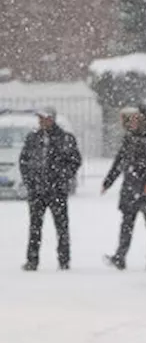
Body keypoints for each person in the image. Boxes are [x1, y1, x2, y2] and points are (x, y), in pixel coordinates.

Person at [102, 105, 146, 270]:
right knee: (126, 225)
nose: (131, 123)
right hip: (130, 189)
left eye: (134, 119)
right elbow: (119, 163)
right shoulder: (128, 140)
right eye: (129, 119)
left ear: (143, 119)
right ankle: (120, 257)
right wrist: (108, 182)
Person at [19, 108, 82, 271]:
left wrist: (62, 178)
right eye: (40, 119)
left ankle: (64, 260)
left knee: (61, 227)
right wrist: (30, 182)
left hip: (57, 191)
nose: (42, 122)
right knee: (35, 227)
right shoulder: (33, 138)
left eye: (45, 118)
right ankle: (32, 260)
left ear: (52, 119)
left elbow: (75, 161)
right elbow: (24, 161)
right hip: (37, 191)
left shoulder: (65, 138)